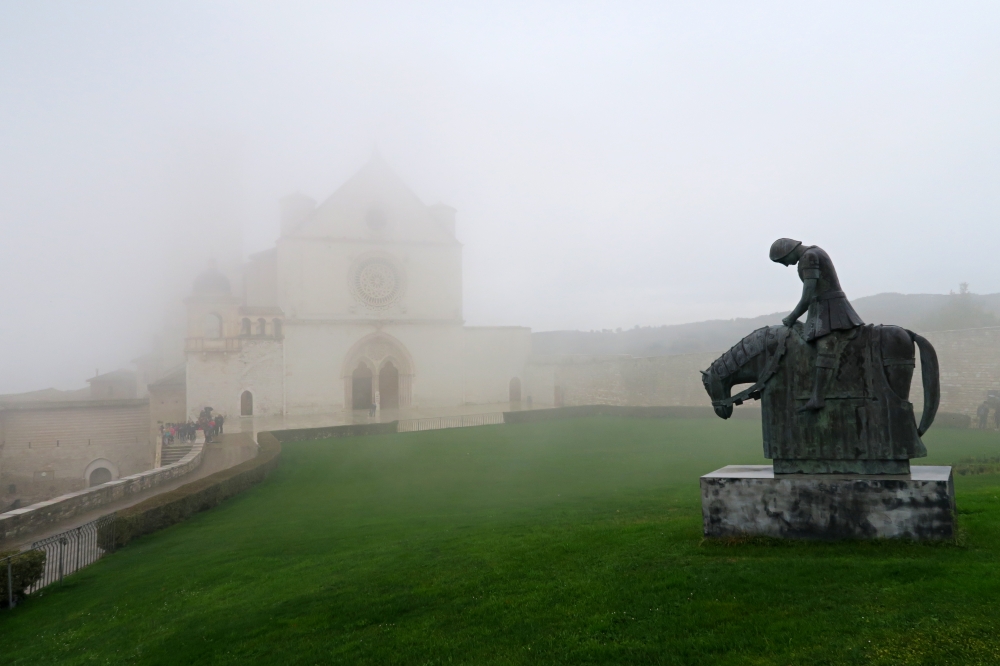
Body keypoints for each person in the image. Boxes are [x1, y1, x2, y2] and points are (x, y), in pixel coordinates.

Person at [771, 238, 864, 412]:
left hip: (830, 309)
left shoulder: (809, 257)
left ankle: (817, 397)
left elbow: (808, 294)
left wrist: (792, 316)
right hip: (821, 309)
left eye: (783, 261)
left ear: (788, 252)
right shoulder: (812, 253)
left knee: (825, 346)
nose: (785, 265)